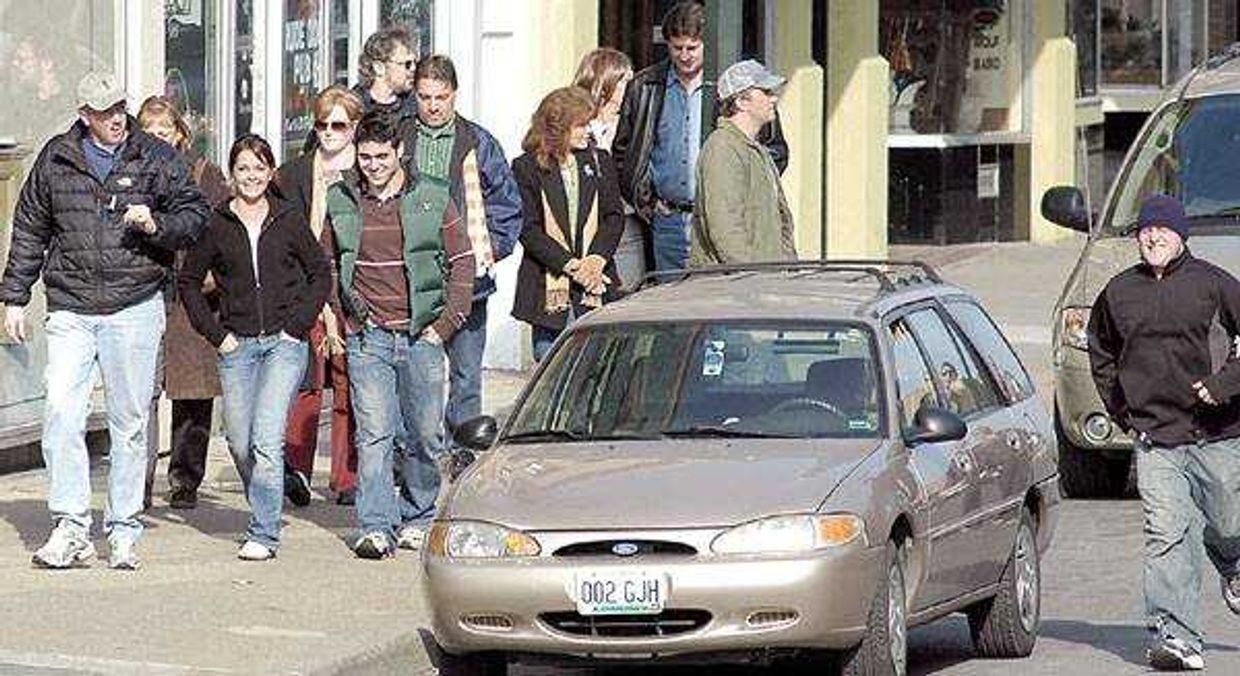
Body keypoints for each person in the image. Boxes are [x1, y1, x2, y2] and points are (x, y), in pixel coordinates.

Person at [0, 71, 209, 570]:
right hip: (71, 306)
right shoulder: (56, 158)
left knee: (130, 423)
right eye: (103, 111)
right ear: (83, 115)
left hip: (134, 305)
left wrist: (156, 224)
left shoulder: (155, 157)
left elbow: (196, 215)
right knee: (60, 415)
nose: (115, 118)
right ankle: (71, 525)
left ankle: (123, 527)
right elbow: (29, 228)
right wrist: (13, 297)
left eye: (119, 107)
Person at [1088, 193, 1240, 671]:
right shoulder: (1118, 292)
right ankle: (1175, 637)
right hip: (1156, 439)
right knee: (1166, 537)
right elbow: (1101, 354)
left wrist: (1224, 385)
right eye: (1145, 230)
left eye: (1162, 230)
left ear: (1181, 237)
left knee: (1228, 522)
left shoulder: (1215, 286)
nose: (1152, 236)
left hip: (1215, 434)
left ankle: (1233, 564)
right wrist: (1123, 411)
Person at [322, 112, 474, 559]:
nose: (372, 165)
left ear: (399, 153)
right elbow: (327, 262)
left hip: (420, 334)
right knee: (374, 434)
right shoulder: (342, 198)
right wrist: (346, 314)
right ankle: (374, 524)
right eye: (365, 157)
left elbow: (462, 261)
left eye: (381, 156)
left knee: (425, 434)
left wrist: (442, 326)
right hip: (368, 337)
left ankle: (419, 514)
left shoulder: (431, 195)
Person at [179, 134, 331, 561]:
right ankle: (269, 489)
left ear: (270, 172)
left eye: (259, 168)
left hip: (283, 343)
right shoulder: (216, 222)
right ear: (232, 175)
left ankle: (264, 531)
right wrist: (218, 335)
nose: (251, 177)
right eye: (244, 169)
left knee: (266, 440)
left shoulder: (287, 218)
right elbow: (189, 282)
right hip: (237, 345)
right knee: (240, 443)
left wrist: (297, 326)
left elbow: (320, 272)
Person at [613, 0, 788, 273]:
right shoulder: (646, 86)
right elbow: (625, 153)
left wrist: (746, 192)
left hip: (723, 214)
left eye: (692, 48)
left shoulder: (733, 88)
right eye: (677, 48)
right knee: (673, 304)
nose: (685, 56)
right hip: (667, 218)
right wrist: (648, 202)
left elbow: (773, 152)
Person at [408, 55, 522, 443]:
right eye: (425, 97)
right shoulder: (400, 137)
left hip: (468, 279)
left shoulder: (478, 141)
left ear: (454, 94)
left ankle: (462, 448)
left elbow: (507, 205)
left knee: (466, 374)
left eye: (441, 97)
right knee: (417, 375)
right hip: (413, 279)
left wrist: (484, 253)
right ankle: (417, 452)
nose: (433, 106)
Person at [136, 95, 230, 511]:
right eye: (149, 132)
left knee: (193, 394)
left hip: (193, 293)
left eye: (165, 131)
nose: (158, 139)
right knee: (142, 392)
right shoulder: (132, 173)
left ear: (180, 133)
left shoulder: (205, 175)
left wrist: (213, 276)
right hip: (146, 289)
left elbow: (223, 229)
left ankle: (185, 478)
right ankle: (138, 481)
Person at [277, 85, 364, 507]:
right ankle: (295, 472)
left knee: (350, 384)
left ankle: (347, 477)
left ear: (355, 127)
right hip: (305, 289)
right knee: (305, 382)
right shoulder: (294, 173)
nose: (329, 132)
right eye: (322, 124)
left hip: (352, 291)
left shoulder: (365, 173)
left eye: (339, 125)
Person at [511, 87, 624, 362]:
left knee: (596, 367)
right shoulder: (526, 167)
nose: (589, 130)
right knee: (551, 365)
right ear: (559, 128)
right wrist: (573, 266)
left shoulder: (600, 161)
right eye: (582, 125)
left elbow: (613, 216)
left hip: (596, 284)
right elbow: (528, 229)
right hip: (548, 287)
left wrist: (595, 261)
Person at [689, 59, 796, 266]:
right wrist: (751, 275)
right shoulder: (723, 148)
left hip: (764, 280)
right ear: (740, 102)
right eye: (765, 92)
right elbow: (725, 228)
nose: (774, 98)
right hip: (734, 286)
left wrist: (788, 268)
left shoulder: (756, 149)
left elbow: (782, 219)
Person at [572, 48, 640, 291]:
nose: (632, 88)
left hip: (625, 223)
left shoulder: (632, 121)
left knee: (625, 296)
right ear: (606, 81)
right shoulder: (576, 123)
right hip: (581, 223)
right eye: (625, 81)